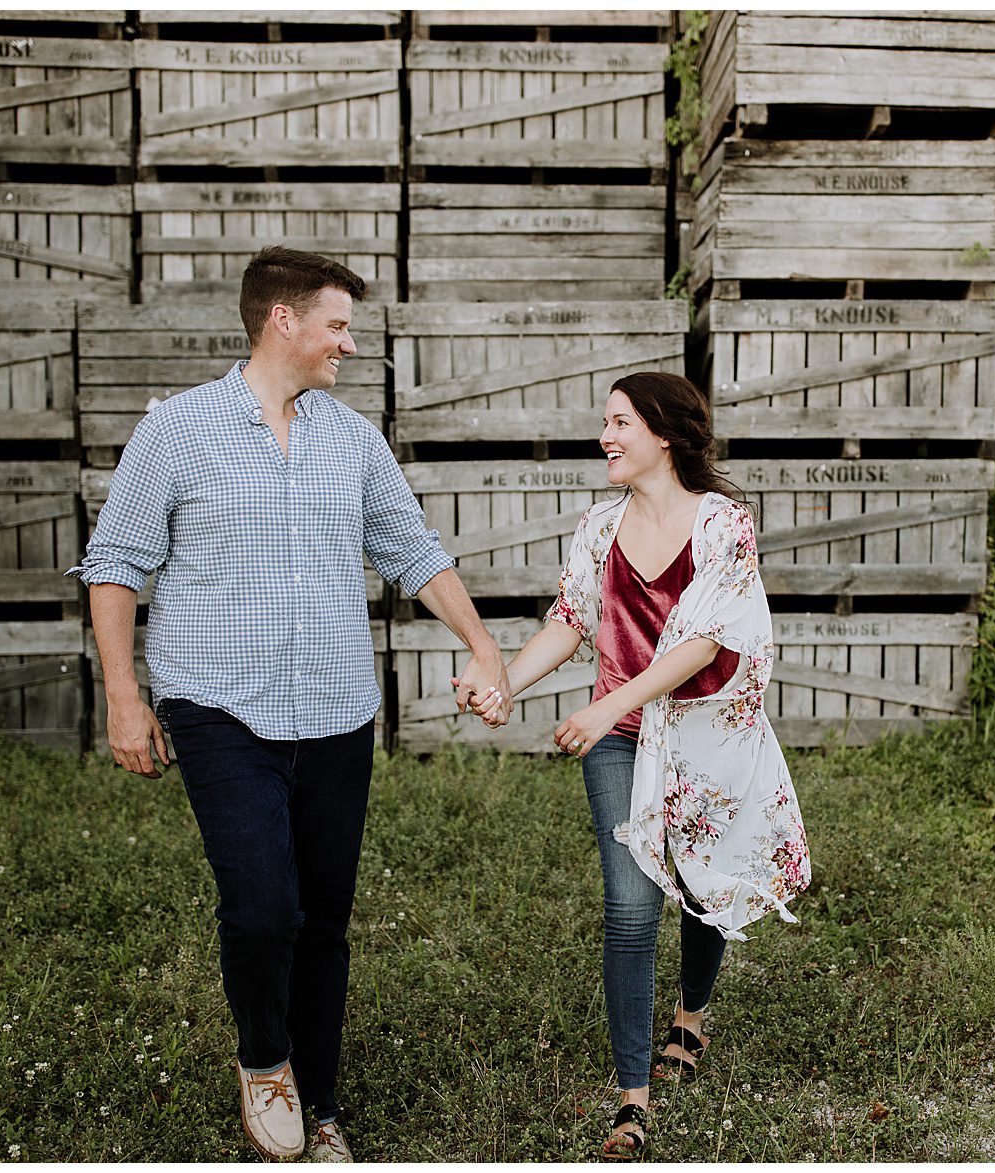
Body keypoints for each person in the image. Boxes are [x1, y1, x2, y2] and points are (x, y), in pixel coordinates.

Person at [67, 245, 508, 1163]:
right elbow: (115, 566)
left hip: (339, 710)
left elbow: (413, 548)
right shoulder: (178, 429)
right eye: (337, 325)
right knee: (264, 906)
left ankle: (324, 1101)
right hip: (219, 706)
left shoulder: (351, 439)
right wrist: (122, 696)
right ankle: (265, 1060)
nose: (348, 343)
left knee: (325, 919)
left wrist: (481, 640)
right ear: (284, 321)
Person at [464, 371, 811, 1160]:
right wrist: (505, 684)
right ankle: (632, 1098)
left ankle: (691, 1013)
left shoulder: (726, 525)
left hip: (705, 733)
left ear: (664, 432)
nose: (605, 436)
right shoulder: (598, 527)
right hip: (620, 735)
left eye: (620, 422)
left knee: (698, 882)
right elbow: (572, 619)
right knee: (629, 905)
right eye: (605, 422)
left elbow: (703, 643)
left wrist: (601, 706)